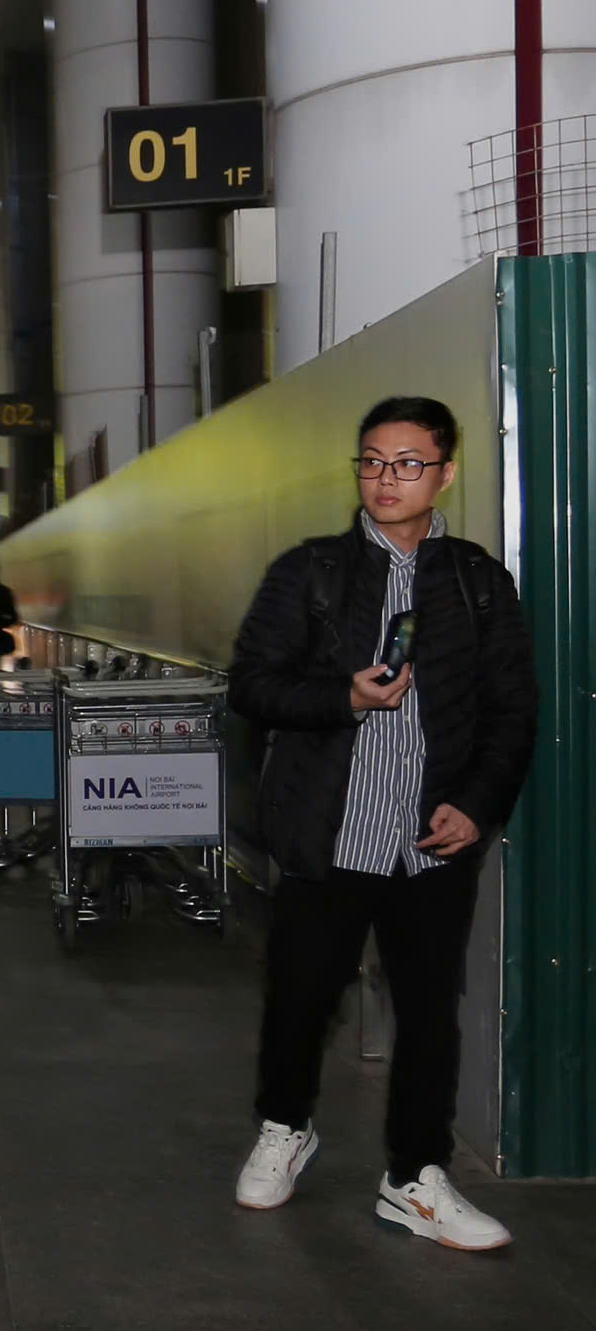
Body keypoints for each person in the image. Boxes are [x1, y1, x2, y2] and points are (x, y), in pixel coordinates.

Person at [228, 395, 538, 1249]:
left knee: (430, 1013)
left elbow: (512, 710)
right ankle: (285, 1127)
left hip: (431, 842)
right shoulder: (313, 571)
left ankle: (415, 1178)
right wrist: (342, 698)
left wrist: (477, 806)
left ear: (446, 473)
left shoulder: (477, 581)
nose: (386, 478)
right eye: (371, 460)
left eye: (407, 463)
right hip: (331, 834)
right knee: (299, 998)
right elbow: (251, 684)